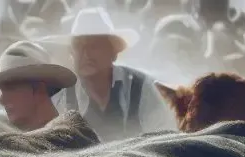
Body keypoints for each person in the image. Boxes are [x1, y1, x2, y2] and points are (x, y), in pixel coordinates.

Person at [55, 7, 175, 140]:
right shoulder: (62, 94)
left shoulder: (140, 86)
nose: (86, 54)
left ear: (113, 53)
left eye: (94, 46)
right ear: (72, 53)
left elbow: (163, 136)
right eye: (78, 46)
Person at [0, 39, 77, 130]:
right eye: (1, 90)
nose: (1, 100)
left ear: (39, 88)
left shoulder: (68, 139)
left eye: (10, 88)